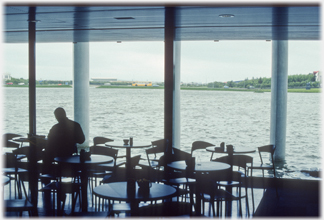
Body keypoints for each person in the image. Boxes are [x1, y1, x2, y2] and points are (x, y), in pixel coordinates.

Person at [43, 107, 85, 172]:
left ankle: (47, 175)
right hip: (71, 152)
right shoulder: (75, 125)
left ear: (57, 117)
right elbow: (82, 140)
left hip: (57, 153)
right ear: (65, 114)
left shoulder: (55, 128)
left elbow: (49, 142)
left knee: (46, 154)